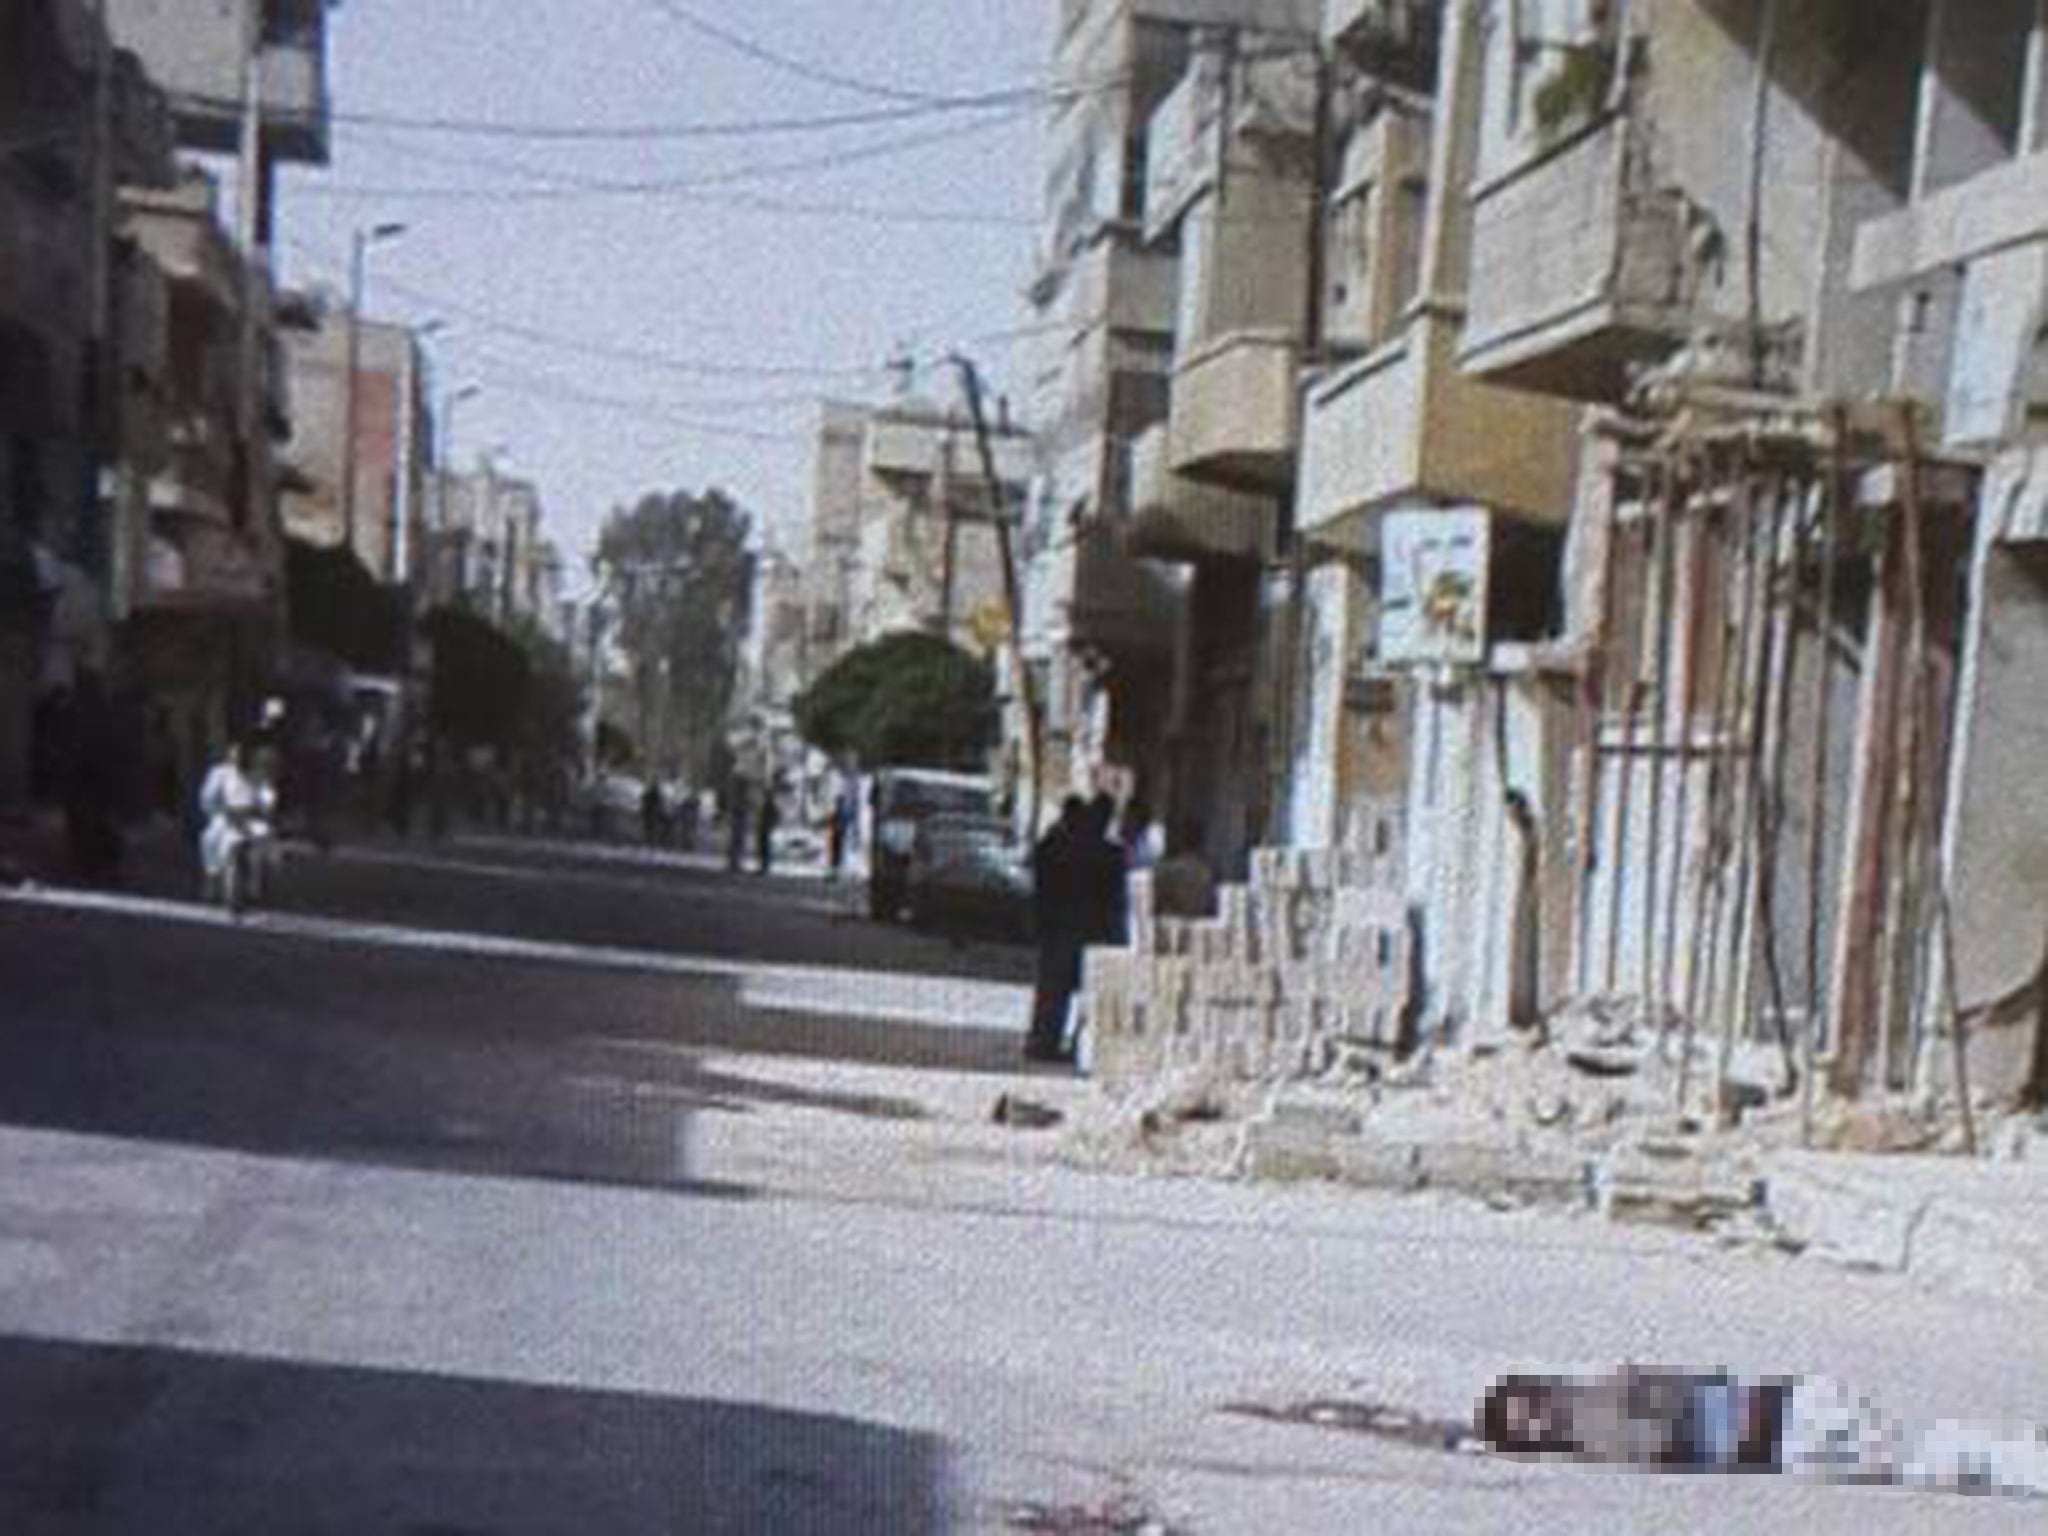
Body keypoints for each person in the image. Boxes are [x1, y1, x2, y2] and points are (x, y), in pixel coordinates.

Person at [1478, 1366, 2048, 1497]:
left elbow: (1678, 1395)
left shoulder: (1601, 1393)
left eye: (1526, 1404)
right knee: (1939, 1459)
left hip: (1796, 1408)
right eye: (1524, 1425)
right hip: (1791, 1440)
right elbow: (1664, 1439)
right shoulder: (1596, 1435)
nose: (1536, 1415)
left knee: (1943, 1453)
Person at [1026, 796, 1091, 1063]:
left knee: (1051, 989)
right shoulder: (1067, 847)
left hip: (1052, 923)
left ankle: (1042, 1040)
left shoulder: (1051, 844)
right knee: (1055, 989)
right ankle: (1045, 1043)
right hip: (1062, 924)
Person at [198, 738, 277, 909]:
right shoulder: (218, 773)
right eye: (235, 753)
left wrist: (266, 805)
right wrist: (216, 808)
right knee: (208, 838)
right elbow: (207, 798)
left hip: (251, 818)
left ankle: (255, 885)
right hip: (225, 817)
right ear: (229, 754)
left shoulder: (258, 774)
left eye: (242, 754)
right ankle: (212, 877)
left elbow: (267, 795)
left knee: (264, 839)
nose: (238, 758)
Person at [755, 780, 782, 875]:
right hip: (765, 827)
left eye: (765, 794)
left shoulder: (769, 805)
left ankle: (765, 867)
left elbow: (774, 816)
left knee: (765, 848)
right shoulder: (769, 804)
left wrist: (770, 825)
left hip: (766, 827)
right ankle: (764, 866)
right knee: (764, 848)